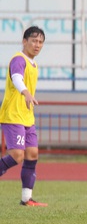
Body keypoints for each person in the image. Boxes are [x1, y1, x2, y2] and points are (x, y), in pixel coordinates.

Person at [0, 26, 48, 206]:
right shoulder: (19, 59)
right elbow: (17, 78)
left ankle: (27, 199)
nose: (37, 45)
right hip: (13, 115)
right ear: (24, 41)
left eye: (41, 42)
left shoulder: (34, 64)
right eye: (34, 40)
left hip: (27, 116)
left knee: (32, 153)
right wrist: (26, 92)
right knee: (17, 155)